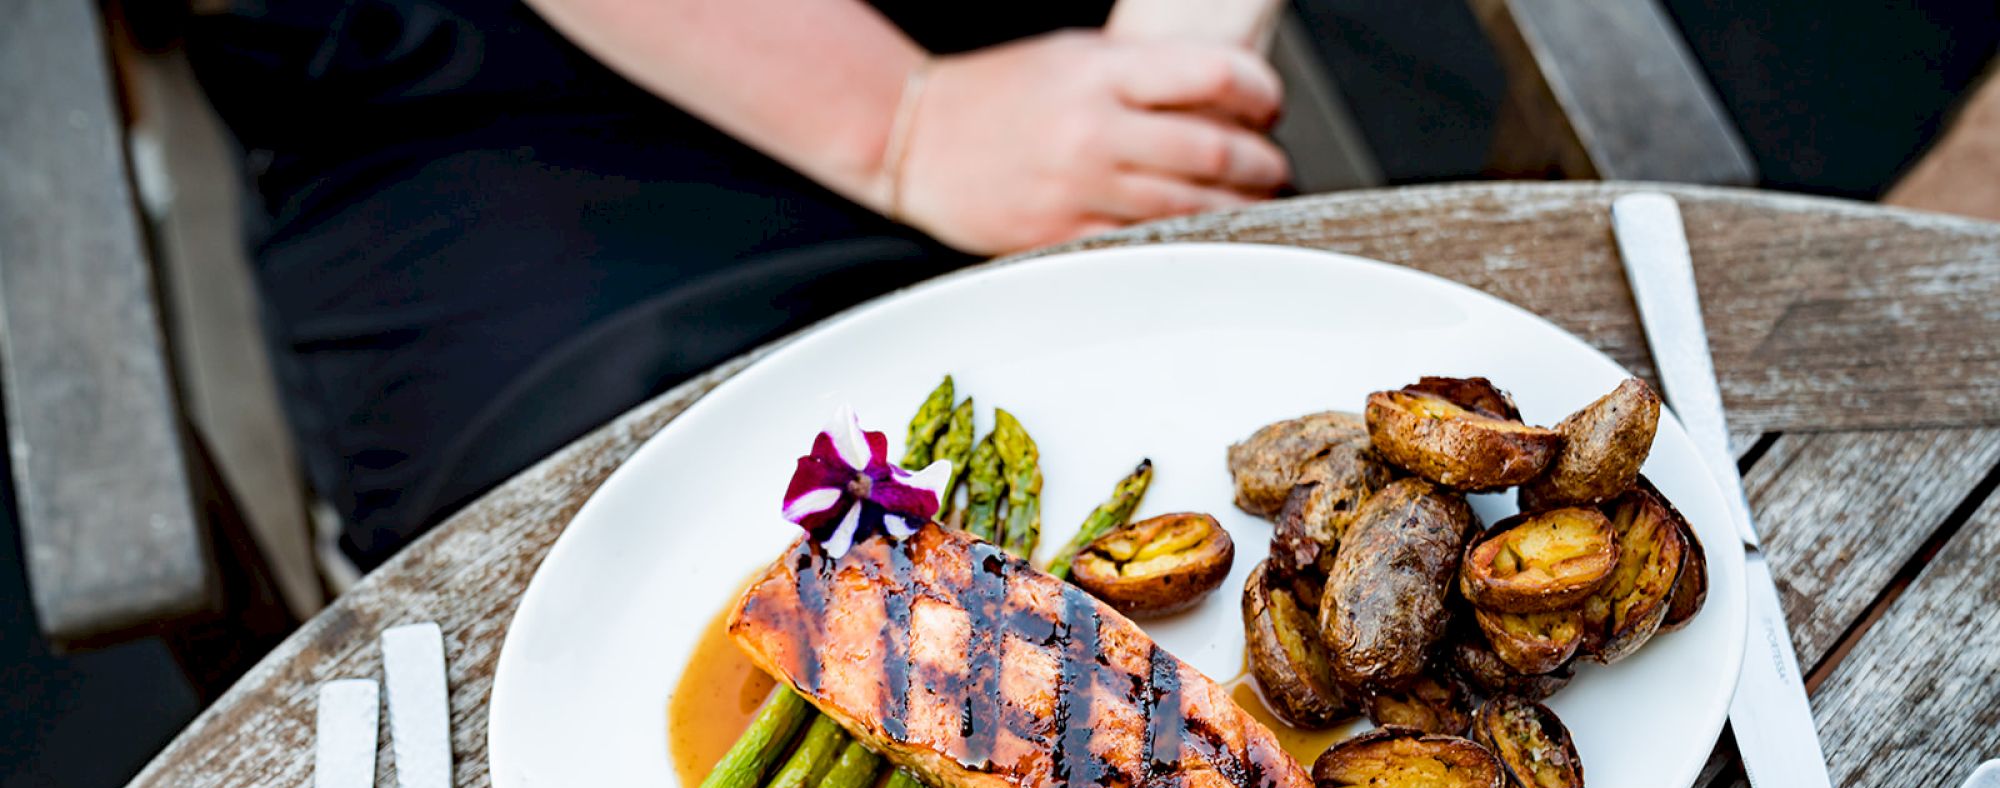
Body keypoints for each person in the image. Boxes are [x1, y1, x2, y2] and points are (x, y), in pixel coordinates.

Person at [186, 0, 1288, 567]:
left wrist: (1168, 73)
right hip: (503, 90)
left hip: (1028, 33)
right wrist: (895, 122)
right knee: (626, 539)